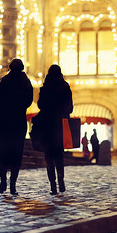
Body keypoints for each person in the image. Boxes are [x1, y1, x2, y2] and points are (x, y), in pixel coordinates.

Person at [0, 58, 33, 195]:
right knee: (16, 153)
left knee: (2, 152)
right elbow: (29, 101)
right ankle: (13, 185)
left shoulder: (5, 81)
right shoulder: (26, 82)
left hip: (4, 122)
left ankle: (3, 182)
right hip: (18, 122)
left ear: (10, 68)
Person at [37, 64, 73, 194]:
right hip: (60, 125)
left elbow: (40, 105)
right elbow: (70, 108)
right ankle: (61, 180)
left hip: (47, 125)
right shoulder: (65, 88)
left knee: (49, 156)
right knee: (59, 155)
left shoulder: (45, 88)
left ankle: (52, 184)